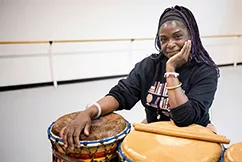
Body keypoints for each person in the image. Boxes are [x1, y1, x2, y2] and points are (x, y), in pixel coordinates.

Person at [60, 5, 219, 150]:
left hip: (194, 133)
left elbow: (184, 118)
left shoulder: (205, 71)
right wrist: (89, 112)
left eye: (177, 36)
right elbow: (121, 94)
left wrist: (170, 69)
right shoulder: (150, 65)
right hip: (155, 130)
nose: (170, 44)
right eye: (163, 39)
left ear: (192, 35)